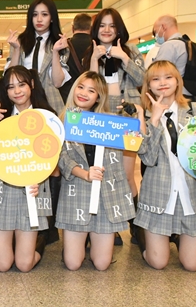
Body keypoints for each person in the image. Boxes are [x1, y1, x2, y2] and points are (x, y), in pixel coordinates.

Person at [134, 60, 196, 271]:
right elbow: (148, 159)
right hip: (158, 196)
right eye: (155, 79)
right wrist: (154, 121)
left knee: (192, 265)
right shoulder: (142, 116)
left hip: (192, 195)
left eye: (168, 77)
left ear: (178, 81)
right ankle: (143, 238)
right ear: (148, 86)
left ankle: (175, 238)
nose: (162, 83)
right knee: (158, 263)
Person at [57, 71, 138, 271]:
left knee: (102, 264)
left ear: (99, 97)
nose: (83, 93)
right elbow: (60, 157)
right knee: (73, 263)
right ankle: (74, 246)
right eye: (80, 87)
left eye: (91, 90)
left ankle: (91, 244)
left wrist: (133, 117)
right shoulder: (62, 120)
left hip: (106, 196)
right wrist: (84, 173)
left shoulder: (110, 122)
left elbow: (135, 142)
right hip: (76, 193)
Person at [0, 66, 53, 272]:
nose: (17, 91)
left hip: (31, 192)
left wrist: (40, 179)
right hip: (1, 191)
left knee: (24, 264)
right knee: (2, 265)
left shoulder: (47, 118)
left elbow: (53, 158)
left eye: (21, 85)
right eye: (11, 87)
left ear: (32, 85)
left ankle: (39, 244)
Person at [82, 8, 145, 243]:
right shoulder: (91, 52)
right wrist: (94, 60)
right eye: (102, 25)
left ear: (119, 29)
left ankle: (136, 227)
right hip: (100, 121)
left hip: (126, 119)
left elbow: (143, 80)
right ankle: (111, 226)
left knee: (127, 175)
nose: (106, 30)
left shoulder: (131, 51)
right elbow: (88, 87)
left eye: (111, 25)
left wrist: (123, 58)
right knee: (103, 172)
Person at [7, 0, 67, 114]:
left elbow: (57, 82)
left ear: (52, 18)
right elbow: (10, 77)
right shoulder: (19, 41)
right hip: (22, 102)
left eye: (44, 14)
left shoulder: (60, 43)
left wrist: (55, 52)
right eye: (35, 15)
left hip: (50, 102)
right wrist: (16, 50)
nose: (39, 19)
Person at [151, 15, 192, 97]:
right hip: (189, 92)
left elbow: (158, 72)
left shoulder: (169, 46)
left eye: (156, 31)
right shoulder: (186, 43)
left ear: (163, 27)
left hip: (176, 94)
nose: (156, 36)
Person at [59, 13, 92, 101]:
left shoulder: (63, 46)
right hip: (90, 95)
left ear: (73, 28)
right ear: (90, 28)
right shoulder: (96, 46)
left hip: (68, 94)